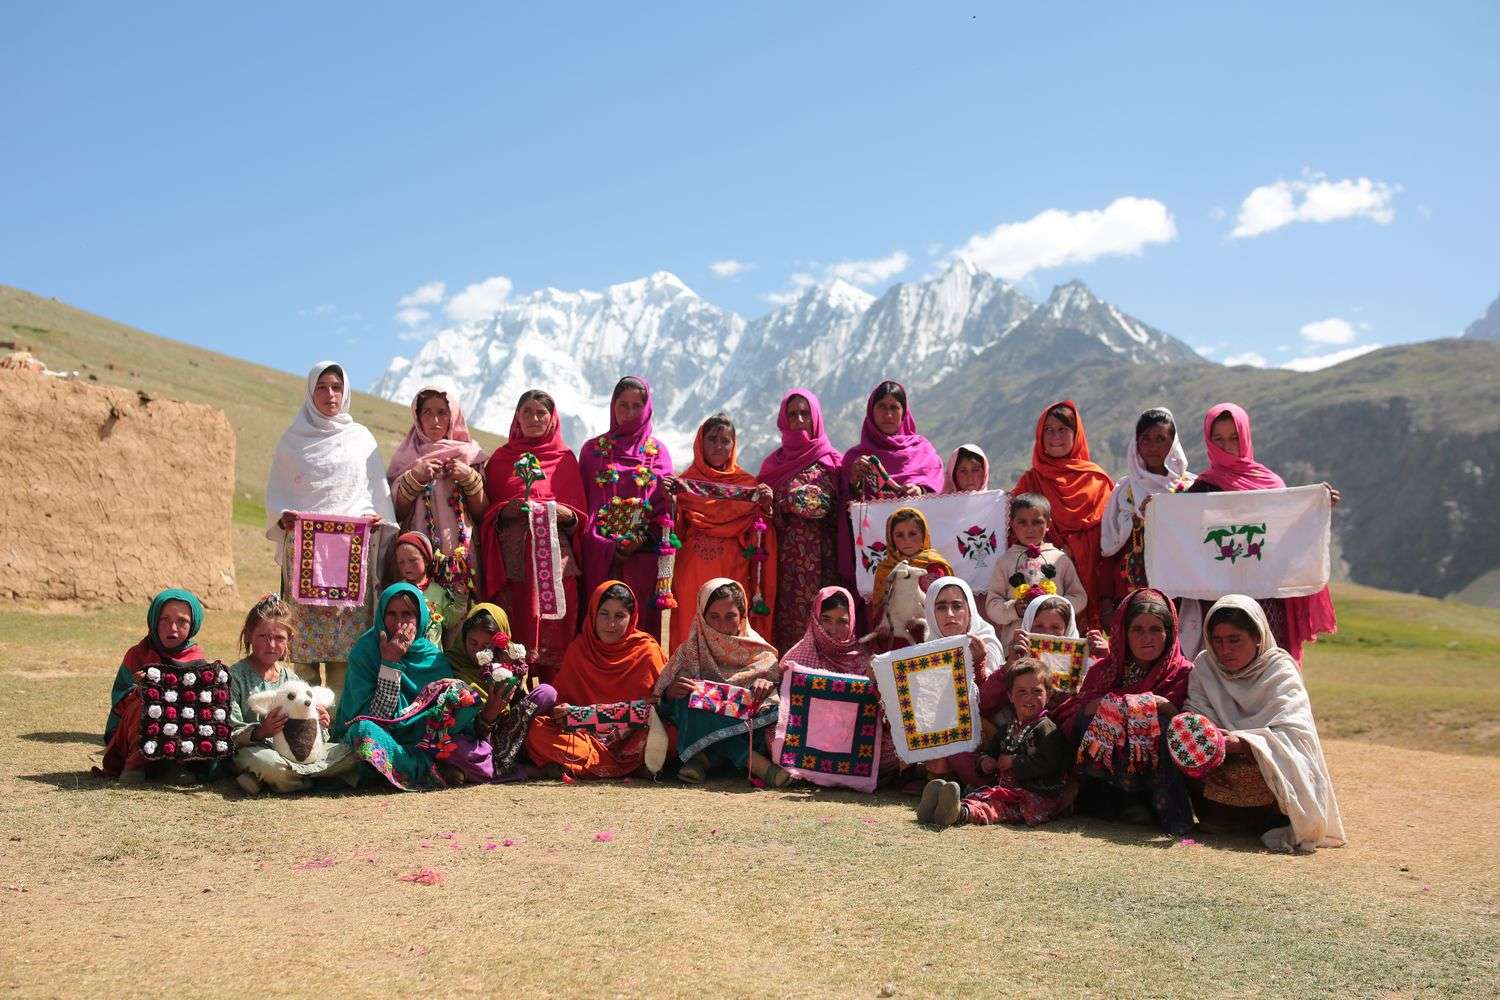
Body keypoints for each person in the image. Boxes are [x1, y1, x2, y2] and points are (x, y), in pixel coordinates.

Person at [265, 361, 396, 695]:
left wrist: (374, 516)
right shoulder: (293, 439)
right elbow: (278, 493)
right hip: (304, 554)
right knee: (303, 642)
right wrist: (284, 517)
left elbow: (373, 492)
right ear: (311, 391)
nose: (330, 394)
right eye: (321, 387)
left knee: (345, 643)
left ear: (346, 391)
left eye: (336, 387)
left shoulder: (361, 439)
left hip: (350, 553)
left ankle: (338, 718)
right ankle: (302, 718)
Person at [1182, 596, 1346, 853]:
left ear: (1257, 637)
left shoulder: (1280, 670)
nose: (1225, 650)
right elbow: (1195, 715)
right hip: (1218, 764)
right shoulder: (1205, 666)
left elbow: (1293, 734)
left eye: (1235, 640)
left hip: (1266, 768)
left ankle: (1269, 818)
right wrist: (1210, 750)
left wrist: (1241, 744)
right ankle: (1222, 816)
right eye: (1217, 640)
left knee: (1266, 763)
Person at [1182, 403, 1340, 663]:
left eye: (1234, 437)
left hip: (1267, 599)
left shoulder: (1270, 484)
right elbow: (1180, 531)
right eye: (1218, 439)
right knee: (1225, 667)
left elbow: (1287, 533)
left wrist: (1316, 506)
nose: (1227, 446)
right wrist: (1156, 512)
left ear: (1245, 436)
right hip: (1220, 601)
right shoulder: (1202, 489)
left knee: (1270, 664)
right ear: (1209, 442)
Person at [1057, 588, 1195, 836]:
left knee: (1161, 727)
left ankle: (1167, 812)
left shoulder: (1183, 673)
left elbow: (1185, 723)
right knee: (1095, 719)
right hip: (1108, 772)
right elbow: (1075, 713)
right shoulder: (1105, 671)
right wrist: (1129, 704)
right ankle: (1111, 801)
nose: (1147, 638)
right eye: (1138, 630)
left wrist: (1163, 706)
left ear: (1170, 633)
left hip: (1160, 773)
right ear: (1123, 631)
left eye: (1155, 629)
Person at [477, 389, 587, 685]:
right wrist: (507, 509)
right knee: (511, 644)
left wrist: (562, 513)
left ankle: (550, 706)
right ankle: (509, 707)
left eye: (541, 413)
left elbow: (580, 517)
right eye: (527, 412)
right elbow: (484, 513)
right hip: (513, 568)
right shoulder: (500, 460)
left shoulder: (565, 460)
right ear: (517, 417)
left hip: (555, 568)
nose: (534, 418)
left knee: (554, 646)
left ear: (552, 419)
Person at [333, 582, 479, 790]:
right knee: (363, 732)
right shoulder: (365, 652)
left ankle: (400, 767)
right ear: (381, 616)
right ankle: (425, 770)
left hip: (422, 738)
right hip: (382, 734)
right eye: (391, 614)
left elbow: (442, 712)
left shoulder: (432, 656)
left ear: (419, 618)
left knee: (466, 701)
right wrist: (390, 663)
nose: (399, 622)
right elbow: (377, 717)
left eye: (407, 614)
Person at [652, 578, 790, 787]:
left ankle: (703, 759)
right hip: (698, 720)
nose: (722, 626)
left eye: (730, 617)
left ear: (742, 617)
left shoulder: (761, 653)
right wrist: (670, 693)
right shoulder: (689, 651)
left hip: (748, 727)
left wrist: (766, 683)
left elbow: (775, 697)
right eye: (714, 617)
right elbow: (660, 702)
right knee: (689, 698)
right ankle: (751, 761)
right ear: (702, 617)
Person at [525, 581, 666, 779]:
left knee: (669, 732)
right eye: (604, 614)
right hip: (585, 739)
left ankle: (578, 766)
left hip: (632, 740)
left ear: (632, 617)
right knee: (538, 730)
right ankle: (618, 767)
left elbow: (656, 710)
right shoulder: (580, 649)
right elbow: (560, 709)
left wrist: (593, 716)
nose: (611, 624)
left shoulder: (647, 651)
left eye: (620, 616)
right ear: (593, 614)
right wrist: (564, 711)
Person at [664, 413, 778, 649]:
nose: (718, 446)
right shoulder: (685, 482)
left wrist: (765, 506)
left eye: (725, 441)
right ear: (700, 443)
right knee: (691, 627)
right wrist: (670, 500)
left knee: (729, 626)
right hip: (692, 570)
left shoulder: (747, 484)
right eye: (712, 439)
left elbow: (758, 532)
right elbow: (676, 532)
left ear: (733, 446)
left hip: (732, 568)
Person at [919, 659, 1072, 828]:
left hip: (1035, 797)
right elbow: (991, 751)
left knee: (996, 806)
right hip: (1007, 791)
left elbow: (1051, 764)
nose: (1029, 697)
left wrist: (1015, 762)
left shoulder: (1047, 729)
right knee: (981, 796)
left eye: (1036, 691)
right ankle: (936, 808)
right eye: (1021, 692)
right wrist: (985, 762)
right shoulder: (1008, 728)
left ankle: (960, 813)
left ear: (1048, 695)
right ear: (1010, 696)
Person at [578, 377, 674, 641]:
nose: (629, 413)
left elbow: (664, 510)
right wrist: (608, 545)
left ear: (647, 409)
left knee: (636, 629)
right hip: (599, 556)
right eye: (623, 405)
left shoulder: (658, 454)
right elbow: (583, 505)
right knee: (600, 623)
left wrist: (639, 540)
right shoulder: (592, 451)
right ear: (613, 406)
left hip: (642, 557)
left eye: (636, 406)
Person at [227, 595, 355, 794]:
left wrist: (320, 724)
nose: (271, 645)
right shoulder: (233, 677)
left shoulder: (291, 679)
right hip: (257, 750)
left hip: (297, 751)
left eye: (279, 638)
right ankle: (310, 781)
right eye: (263, 636)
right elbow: (229, 732)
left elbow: (311, 734)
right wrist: (261, 731)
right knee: (271, 765)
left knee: (351, 755)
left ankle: (265, 780)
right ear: (249, 635)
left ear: (289, 641)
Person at [779, 586, 903, 782]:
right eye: (826, 620)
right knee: (773, 735)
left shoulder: (863, 658)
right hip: (810, 741)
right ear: (815, 619)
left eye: (842, 622)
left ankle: (813, 774)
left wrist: (878, 685)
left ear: (852, 621)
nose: (833, 630)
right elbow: (786, 708)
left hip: (853, 743)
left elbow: (883, 713)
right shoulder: (799, 655)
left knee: (898, 747)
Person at [1012, 400, 1114, 629]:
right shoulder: (1030, 481)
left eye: (1063, 429)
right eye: (1048, 429)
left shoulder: (1097, 481)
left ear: (1076, 434)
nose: (1055, 436)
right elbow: (1013, 531)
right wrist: (1049, 552)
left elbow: (1110, 540)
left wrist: (1072, 551)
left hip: (1091, 587)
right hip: (1043, 586)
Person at [757, 389, 843, 653]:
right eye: (792, 414)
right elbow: (761, 511)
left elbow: (834, 507)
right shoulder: (773, 464)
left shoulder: (832, 461)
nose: (799, 419)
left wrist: (793, 500)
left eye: (805, 413)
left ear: (815, 417)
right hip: (783, 561)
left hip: (824, 560)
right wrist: (780, 504)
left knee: (825, 614)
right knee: (786, 621)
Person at [387, 381, 488, 602]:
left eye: (442, 413)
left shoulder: (471, 455)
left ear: (453, 415)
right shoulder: (405, 458)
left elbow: (481, 512)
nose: (435, 421)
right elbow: (397, 512)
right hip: (417, 553)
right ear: (417, 416)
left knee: (460, 615)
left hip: (461, 552)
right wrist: (414, 477)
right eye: (427, 413)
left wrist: (469, 478)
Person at [837, 381, 945, 586]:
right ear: (871, 411)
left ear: (904, 412)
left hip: (919, 555)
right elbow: (845, 507)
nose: (888, 414)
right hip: (876, 554)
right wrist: (854, 481)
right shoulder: (855, 458)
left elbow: (937, 488)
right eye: (882, 407)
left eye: (894, 407)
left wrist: (921, 490)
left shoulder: (923, 450)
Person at [97, 588, 208, 781]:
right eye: (164, 619)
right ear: (154, 620)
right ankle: (135, 765)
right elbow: (120, 701)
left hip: (176, 741)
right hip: (130, 738)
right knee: (149, 701)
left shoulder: (197, 660)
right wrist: (139, 689)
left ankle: (175, 765)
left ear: (194, 625)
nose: (173, 628)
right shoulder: (137, 655)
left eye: (182, 621)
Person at [444, 603, 558, 782]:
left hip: (513, 735)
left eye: (486, 645)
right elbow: (455, 723)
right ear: (463, 637)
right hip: (477, 739)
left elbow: (520, 706)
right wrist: (489, 713)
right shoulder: (451, 663)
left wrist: (514, 677)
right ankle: (524, 770)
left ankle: (487, 768)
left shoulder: (510, 660)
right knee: (453, 747)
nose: (478, 651)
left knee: (547, 692)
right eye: (472, 643)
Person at [920, 576, 1006, 788]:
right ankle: (942, 782)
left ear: (969, 610)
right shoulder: (927, 649)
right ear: (931, 612)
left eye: (957, 606)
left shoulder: (985, 642)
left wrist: (978, 663)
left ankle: (979, 787)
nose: (949, 614)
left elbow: (988, 701)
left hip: (988, 731)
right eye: (941, 607)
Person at [1100, 407, 1195, 600]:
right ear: (1136, 444)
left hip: (1184, 585)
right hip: (1132, 587)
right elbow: (1110, 546)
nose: (1152, 447)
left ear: (1173, 443)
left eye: (1161, 439)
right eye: (1145, 439)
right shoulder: (1124, 490)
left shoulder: (1192, 487)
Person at [984, 493, 1088, 651]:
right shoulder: (1005, 562)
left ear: (1048, 524)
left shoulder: (1060, 559)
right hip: (1018, 644)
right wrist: (1014, 609)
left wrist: (1056, 606)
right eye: (1022, 522)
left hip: (1055, 643)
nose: (1030, 529)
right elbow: (992, 605)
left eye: (1037, 522)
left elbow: (1079, 597)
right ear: (1012, 524)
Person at [868, 507, 954, 644]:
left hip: (933, 637)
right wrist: (882, 625)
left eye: (913, 534)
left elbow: (943, 603)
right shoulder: (885, 569)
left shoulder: (935, 566)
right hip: (898, 639)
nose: (906, 540)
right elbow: (880, 606)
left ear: (924, 535)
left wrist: (923, 620)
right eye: (899, 535)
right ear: (891, 537)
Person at [386, 530, 462, 647]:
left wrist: (461, 598)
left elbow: (449, 621)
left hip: (431, 656)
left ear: (426, 560)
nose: (407, 567)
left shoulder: (439, 591)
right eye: (401, 562)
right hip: (404, 652)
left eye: (412, 560)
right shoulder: (397, 591)